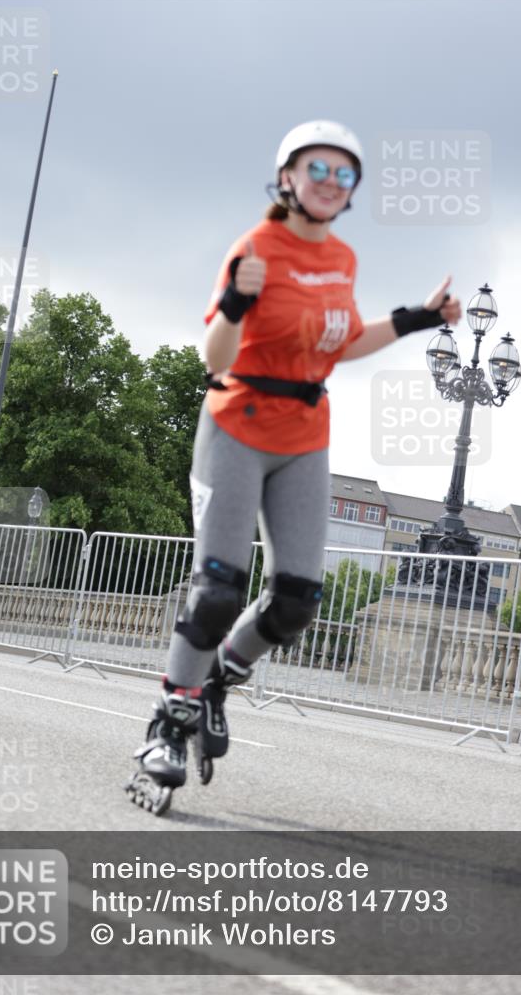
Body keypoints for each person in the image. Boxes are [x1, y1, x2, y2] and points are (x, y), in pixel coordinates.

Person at [126, 119, 462, 815]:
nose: (331, 183)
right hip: (237, 423)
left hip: (306, 432)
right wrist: (236, 303)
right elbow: (214, 357)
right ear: (287, 177)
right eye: (318, 169)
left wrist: (418, 318)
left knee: (298, 600)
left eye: (344, 175)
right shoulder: (254, 248)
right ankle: (167, 721)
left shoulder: (341, 259)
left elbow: (338, 344)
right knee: (218, 589)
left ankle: (218, 677)